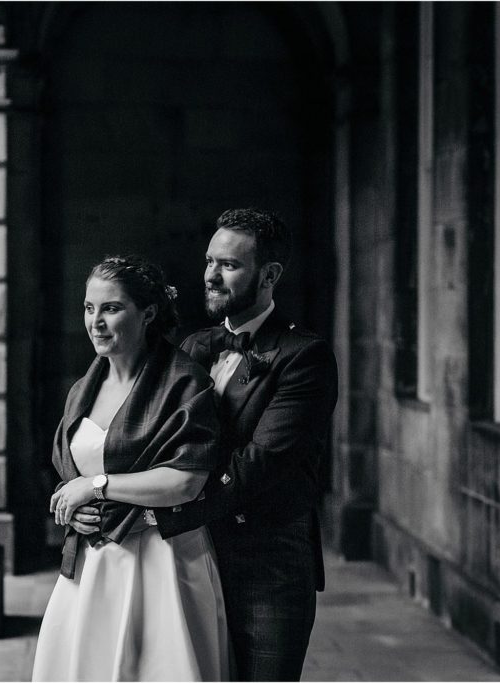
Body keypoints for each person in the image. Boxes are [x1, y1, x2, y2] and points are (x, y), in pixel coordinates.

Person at [156, 207, 339, 680]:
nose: (211, 276)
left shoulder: (305, 357)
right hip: (192, 557)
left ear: (269, 275)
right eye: (209, 261)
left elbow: (261, 463)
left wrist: (162, 509)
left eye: (229, 265)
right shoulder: (195, 347)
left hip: (268, 570)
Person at [32, 255, 231, 682]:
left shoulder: (184, 382)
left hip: (163, 561)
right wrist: (72, 506)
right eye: (89, 308)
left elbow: (186, 480)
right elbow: (71, 475)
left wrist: (96, 487)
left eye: (111, 308)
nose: (96, 322)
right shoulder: (83, 389)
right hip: (92, 564)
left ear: (148, 314)